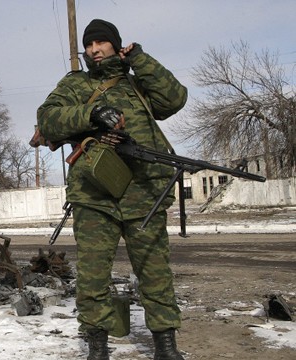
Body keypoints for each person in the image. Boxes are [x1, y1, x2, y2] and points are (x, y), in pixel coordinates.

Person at [36, 19, 187, 360]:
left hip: (145, 192)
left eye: (101, 43)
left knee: (155, 272)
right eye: (89, 45)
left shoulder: (138, 84)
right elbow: (47, 118)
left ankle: (166, 346)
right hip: (94, 195)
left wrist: (140, 60)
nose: (94, 50)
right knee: (92, 277)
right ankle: (97, 347)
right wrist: (92, 113)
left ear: (115, 45)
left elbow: (175, 99)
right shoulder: (75, 85)